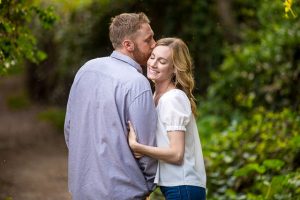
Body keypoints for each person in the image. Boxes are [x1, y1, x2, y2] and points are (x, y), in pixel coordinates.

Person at [64, 12, 158, 200]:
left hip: (81, 190)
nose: (155, 44)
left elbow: (69, 129)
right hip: (124, 192)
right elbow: (146, 145)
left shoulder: (86, 69)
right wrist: (149, 184)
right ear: (128, 45)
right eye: (148, 40)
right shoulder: (137, 82)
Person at [128, 38, 206, 200]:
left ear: (174, 69)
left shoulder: (173, 99)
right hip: (175, 186)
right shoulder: (154, 96)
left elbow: (176, 154)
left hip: (183, 186)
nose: (153, 64)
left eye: (162, 61)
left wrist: (138, 147)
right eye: (152, 57)